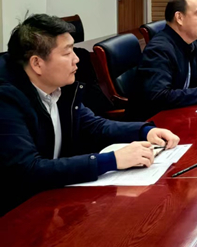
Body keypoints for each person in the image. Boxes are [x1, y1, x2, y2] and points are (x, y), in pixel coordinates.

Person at [0, 14, 180, 216]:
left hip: (54, 199)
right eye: (67, 53)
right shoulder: (6, 100)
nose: (76, 59)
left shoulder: (60, 87)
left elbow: (94, 125)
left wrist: (144, 131)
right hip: (16, 213)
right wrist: (111, 160)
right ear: (37, 63)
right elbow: (28, 170)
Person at [130, 0, 197, 120]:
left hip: (179, 114)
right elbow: (159, 97)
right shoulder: (159, 49)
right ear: (179, 18)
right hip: (154, 123)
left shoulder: (189, 42)